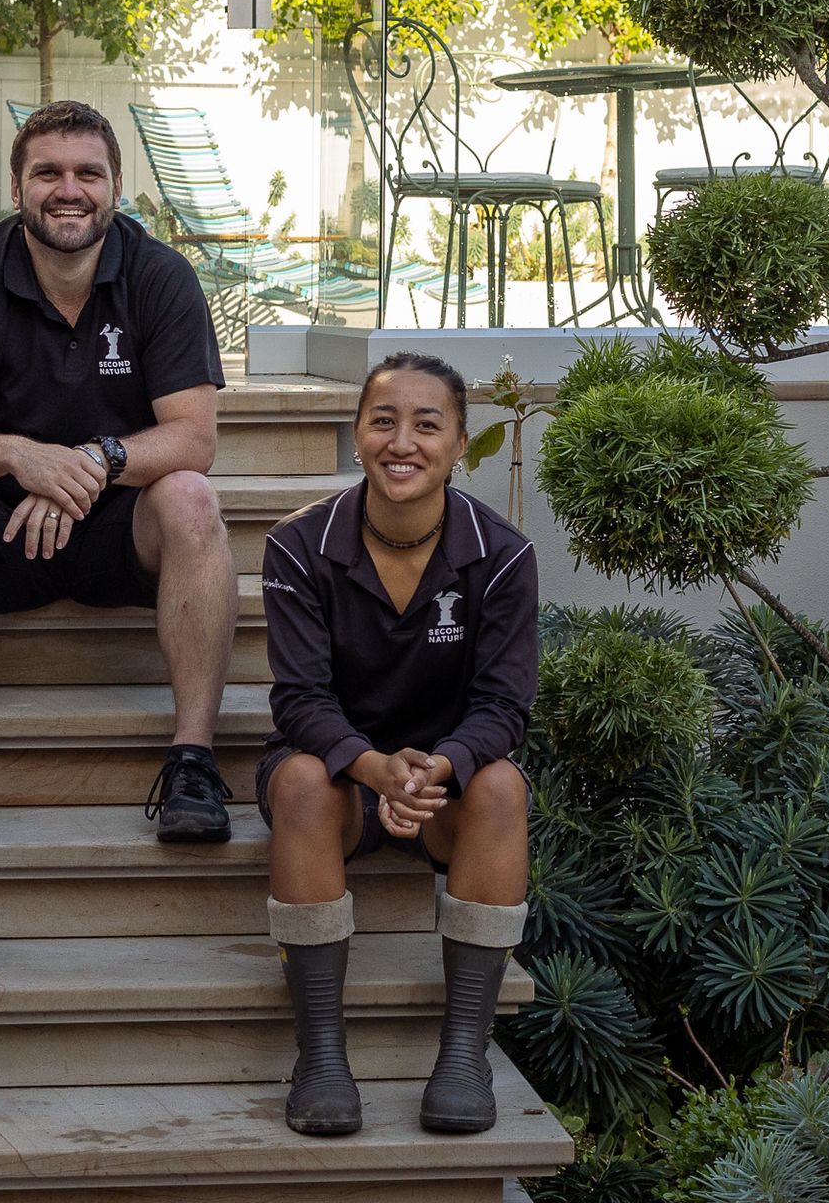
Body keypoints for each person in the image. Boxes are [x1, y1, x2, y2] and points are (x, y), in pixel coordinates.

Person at [0, 100, 236, 848]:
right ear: (17, 189)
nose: (67, 189)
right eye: (48, 172)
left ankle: (194, 762)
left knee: (192, 497)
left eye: (88, 173)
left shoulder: (160, 277)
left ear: (115, 188)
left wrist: (94, 461)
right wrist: (17, 455)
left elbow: (194, 439)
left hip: (118, 531)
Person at [257, 352, 536, 1136]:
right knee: (304, 782)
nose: (402, 441)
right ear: (356, 436)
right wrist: (374, 769)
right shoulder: (297, 546)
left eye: (426, 424)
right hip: (342, 779)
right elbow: (299, 699)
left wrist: (438, 765)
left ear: (458, 444)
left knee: (504, 785)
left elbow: (504, 705)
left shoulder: (503, 553)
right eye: (383, 421)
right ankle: (320, 1056)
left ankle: (462, 1056)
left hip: (447, 785)